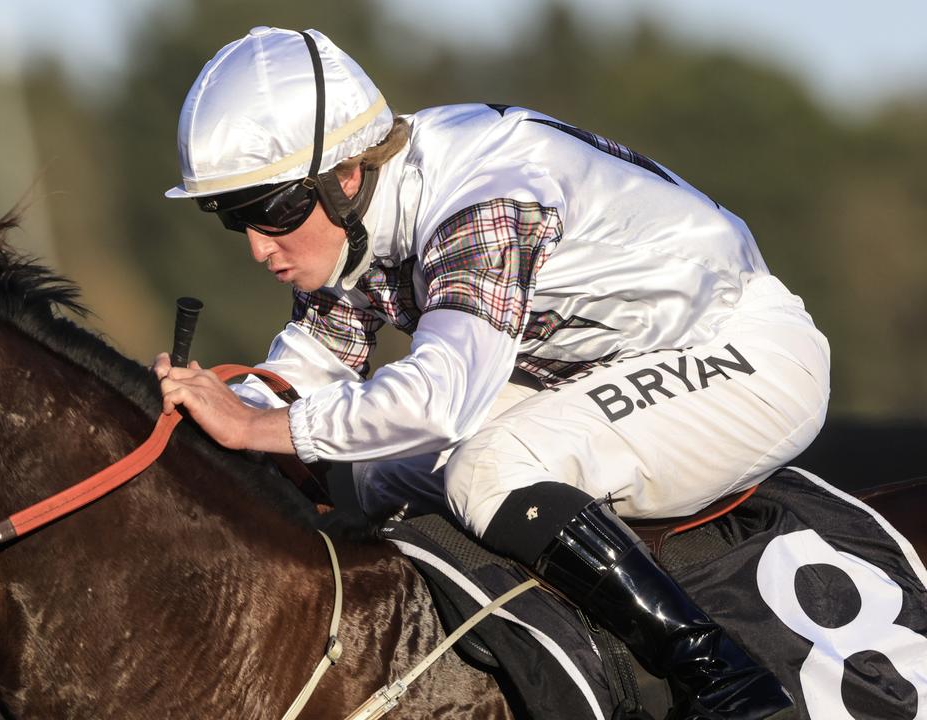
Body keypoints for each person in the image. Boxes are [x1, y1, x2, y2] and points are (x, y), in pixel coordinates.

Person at [155, 26, 827, 719]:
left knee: (489, 468)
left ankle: (725, 682)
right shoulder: (352, 220)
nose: (261, 248)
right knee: (371, 472)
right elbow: (307, 372)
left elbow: (438, 401)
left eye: (271, 210)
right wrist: (192, 422)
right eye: (234, 219)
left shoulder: (481, 201)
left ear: (346, 174)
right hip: (598, 367)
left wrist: (256, 425)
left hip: (746, 355)